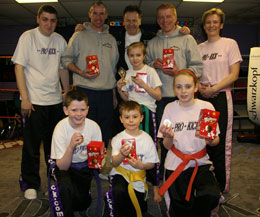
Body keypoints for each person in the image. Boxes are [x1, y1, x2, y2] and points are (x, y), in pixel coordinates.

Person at [12, 4, 69, 200]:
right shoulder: (28, 37)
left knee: (54, 147)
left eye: (53, 20)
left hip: (54, 101)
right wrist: (25, 98)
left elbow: (63, 69)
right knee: (31, 146)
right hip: (33, 101)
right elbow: (19, 68)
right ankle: (30, 182)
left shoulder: (60, 40)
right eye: (45, 19)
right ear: (38, 19)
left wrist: (67, 93)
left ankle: (53, 181)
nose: (49, 24)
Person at [146, 3, 203, 177]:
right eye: (161, 17)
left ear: (175, 18)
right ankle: (165, 175)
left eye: (169, 16)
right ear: (157, 20)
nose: (165, 20)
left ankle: (187, 173)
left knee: (185, 137)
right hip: (160, 100)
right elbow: (144, 67)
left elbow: (198, 69)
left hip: (183, 100)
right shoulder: (153, 43)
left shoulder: (187, 39)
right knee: (163, 140)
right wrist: (152, 65)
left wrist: (180, 72)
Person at [158, 69, 221, 217]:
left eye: (188, 86)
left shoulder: (206, 107)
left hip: (200, 161)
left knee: (210, 194)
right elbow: (166, 146)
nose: (183, 91)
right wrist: (169, 137)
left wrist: (210, 139)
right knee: (180, 207)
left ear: (196, 87)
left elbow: (216, 141)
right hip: (176, 162)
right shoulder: (170, 108)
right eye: (178, 87)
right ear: (174, 89)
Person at [61, 1, 119, 151]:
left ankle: (99, 167)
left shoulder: (111, 39)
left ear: (106, 16)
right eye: (95, 13)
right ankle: (84, 167)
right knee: (85, 130)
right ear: (89, 14)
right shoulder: (79, 35)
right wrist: (80, 72)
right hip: (85, 91)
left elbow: (112, 70)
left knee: (104, 132)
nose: (98, 17)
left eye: (101, 13)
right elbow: (66, 60)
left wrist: (113, 95)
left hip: (106, 93)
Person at [198, 8, 242, 193]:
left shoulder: (230, 44)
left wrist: (214, 89)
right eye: (208, 22)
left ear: (221, 25)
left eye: (215, 22)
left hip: (222, 97)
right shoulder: (199, 48)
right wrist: (201, 88)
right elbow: (196, 74)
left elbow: (234, 74)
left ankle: (221, 186)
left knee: (221, 141)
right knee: (204, 141)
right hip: (203, 98)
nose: (211, 25)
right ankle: (205, 183)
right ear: (204, 25)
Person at [117, 41, 162, 203]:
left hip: (147, 113)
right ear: (128, 57)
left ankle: (155, 187)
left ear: (144, 56)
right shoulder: (127, 74)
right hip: (132, 113)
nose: (135, 59)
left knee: (151, 148)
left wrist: (143, 84)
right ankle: (136, 180)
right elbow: (126, 98)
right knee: (134, 147)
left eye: (138, 55)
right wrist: (119, 88)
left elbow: (158, 96)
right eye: (132, 55)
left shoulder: (150, 71)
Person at [51, 90, 102, 216]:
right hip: (65, 166)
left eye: (83, 109)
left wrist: (100, 157)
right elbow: (62, 166)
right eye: (74, 110)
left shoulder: (94, 127)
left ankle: (83, 194)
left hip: (84, 166)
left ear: (88, 109)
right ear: (65, 110)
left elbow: (96, 163)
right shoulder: (60, 128)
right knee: (65, 185)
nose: (79, 114)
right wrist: (71, 146)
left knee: (81, 204)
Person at [110, 100, 159, 217]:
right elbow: (115, 163)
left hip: (139, 177)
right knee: (119, 192)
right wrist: (121, 154)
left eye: (135, 116)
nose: (131, 120)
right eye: (127, 117)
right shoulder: (117, 139)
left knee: (140, 209)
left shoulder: (147, 139)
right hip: (121, 174)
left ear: (141, 118)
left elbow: (152, 163)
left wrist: (141, 166)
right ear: (121, 119)